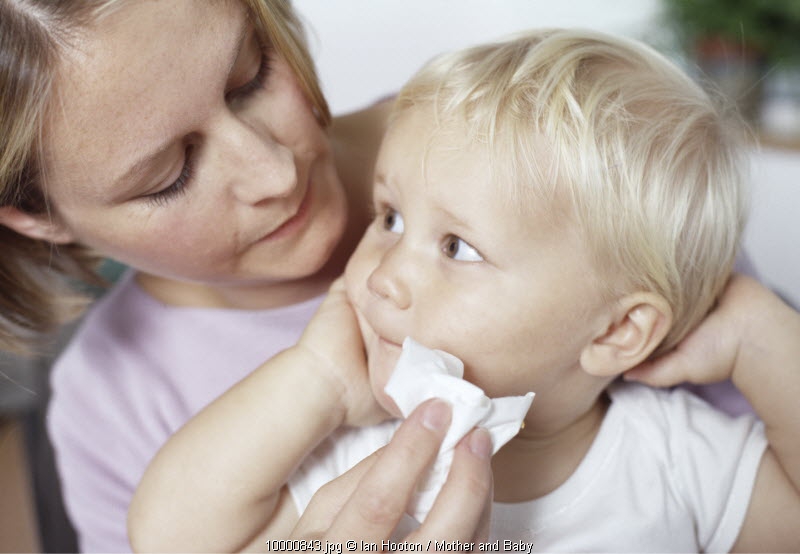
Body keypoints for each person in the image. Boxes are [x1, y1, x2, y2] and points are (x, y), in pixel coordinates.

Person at [130, 28, 800, 552]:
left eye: (457, 247)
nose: (383, 275)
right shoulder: (359, 459)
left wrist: (759, 334)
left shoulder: (673, 462)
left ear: (615, 332)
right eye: (389, 218)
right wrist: (320, 381)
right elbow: (168, 535)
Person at [0, 1, 495, 551]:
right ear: (38, 216)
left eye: (250, 77)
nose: (276, 173)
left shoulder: (499, 132)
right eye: (170, 177)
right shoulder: (112, 406)